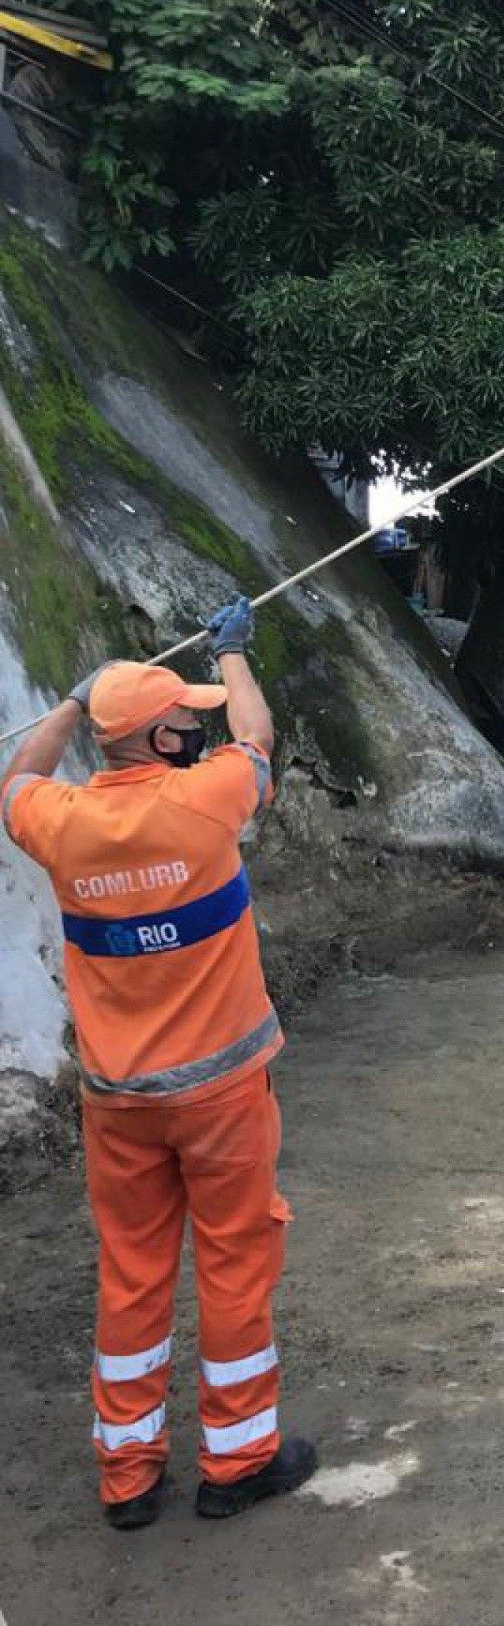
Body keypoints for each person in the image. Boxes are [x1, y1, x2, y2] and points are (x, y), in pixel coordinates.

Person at [0, 597, 316, 1529]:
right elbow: (256, 736)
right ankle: (238, 1459)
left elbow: (19, 778)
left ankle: (128, 1475)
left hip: (120, 1103)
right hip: (222, 1095)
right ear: (158, 737)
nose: (197, 725)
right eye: (185, 716)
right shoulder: (206, 797)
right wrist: (233, 654)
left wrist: (74, 700)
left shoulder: (62, 822)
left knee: (133, 1272)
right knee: (234, 1264)